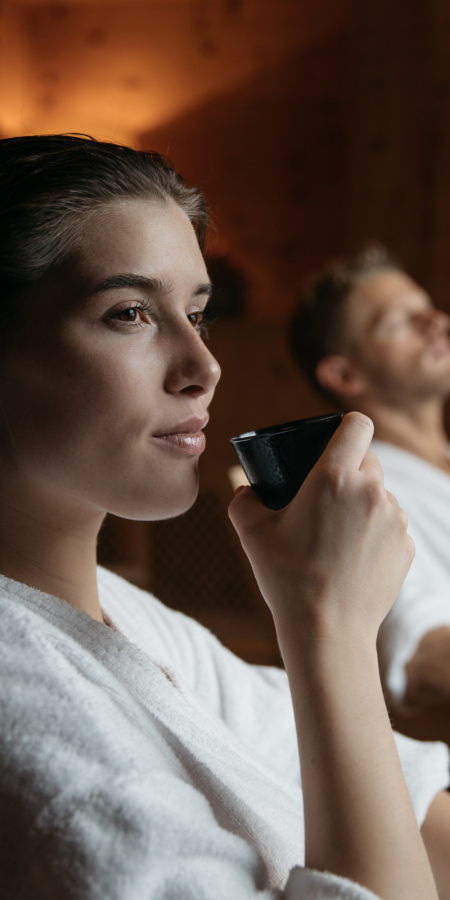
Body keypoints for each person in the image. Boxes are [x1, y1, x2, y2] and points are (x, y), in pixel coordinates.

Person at [0, 137, 448, 900]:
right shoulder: (34, 726)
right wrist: (330, 626)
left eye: (197, 314)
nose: (205, 367)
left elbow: (418, 807)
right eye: (130, 313)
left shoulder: (134, 623)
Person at [289, 245, 450, 712]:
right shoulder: (361, 489)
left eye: (427, 308)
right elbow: (418, 655)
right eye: (401, 321)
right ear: (345, 373)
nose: (437, 322)